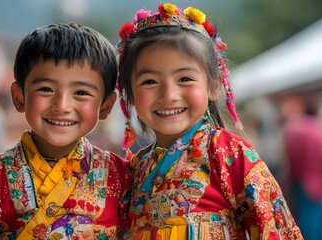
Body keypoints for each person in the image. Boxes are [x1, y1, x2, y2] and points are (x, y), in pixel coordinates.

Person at [116, 3, 302, 239]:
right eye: (149, 81)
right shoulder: (135, 168)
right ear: (129, 94)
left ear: (213, 86)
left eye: (184, 78)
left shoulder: (229, 154)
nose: (169, 94)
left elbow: (274, 230)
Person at [0, 23, 131, 239]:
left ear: (106, 106)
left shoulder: (119, 176)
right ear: (19, 97)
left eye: (81, 92)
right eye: (46, 89)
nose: (61, 105)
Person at [280, 94, 322, 240]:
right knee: (316, 216)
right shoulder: (320, 129)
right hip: (317, 178)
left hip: (299, 177)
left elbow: (287, 156)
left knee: (302, 215)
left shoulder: (293, 129)